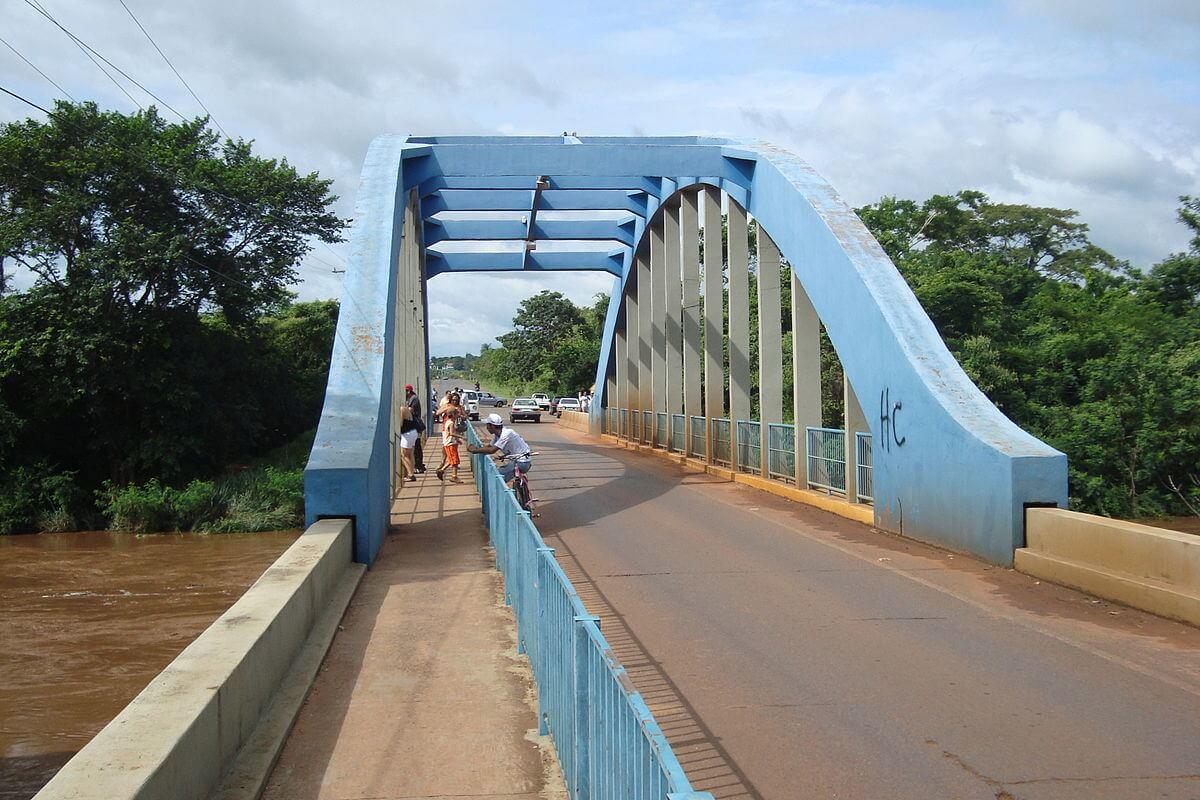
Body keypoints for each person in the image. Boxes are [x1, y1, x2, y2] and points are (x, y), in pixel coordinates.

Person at [467, 412, 533, 485]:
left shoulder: (506, 433)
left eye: (487, 425)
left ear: (492, 426)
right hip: (517, 460)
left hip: (522, 462)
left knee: (497, 477)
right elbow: (489, 446)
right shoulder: (497, 435)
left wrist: (475, 450)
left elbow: (492, 450)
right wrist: (477, 449)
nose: (487, 428)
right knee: (502, 472)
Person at [435, 392, 465, 483]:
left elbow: (465, 416)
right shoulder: (450, 421)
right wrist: (461, 438)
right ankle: (452, 475)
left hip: (452, 440)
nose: (455, 401)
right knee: (454, 459)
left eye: (456, 400)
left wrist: (457, 439)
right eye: (453, 400)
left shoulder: (458, 409)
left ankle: (443, 470)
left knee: (454, 459)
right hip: (450, 441)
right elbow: (452, 433)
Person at [404, 384, 426, 474]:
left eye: (405, 391)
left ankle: (419, 466)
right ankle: (418, 465)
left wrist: (402, 410)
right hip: (413, 425)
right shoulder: (410, 398)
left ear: (408, 391)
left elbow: (409, 410)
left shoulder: (414, 399)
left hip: (415, 425)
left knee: (416, 446)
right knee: (415, 446)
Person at [398, 402, 418, 482]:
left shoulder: (401, 409)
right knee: (411, 454)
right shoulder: (407, 409)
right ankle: (411, 472)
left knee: (404, 455)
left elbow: (400, 423)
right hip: (413, 432)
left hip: (407, 434)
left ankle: (410, 474)